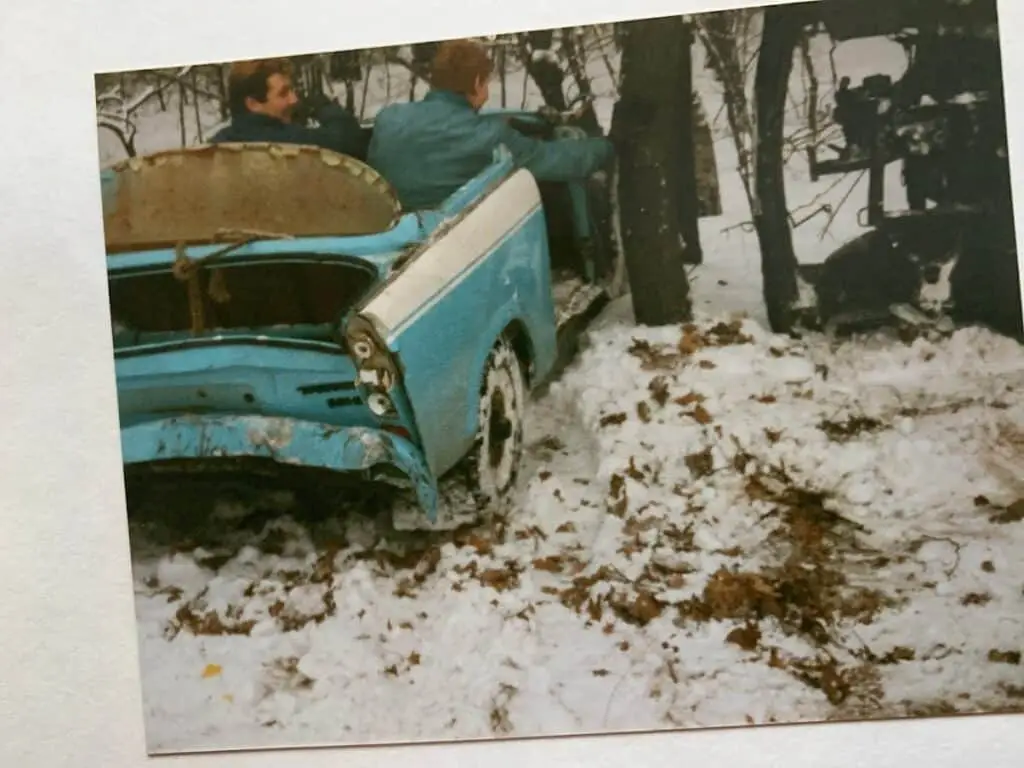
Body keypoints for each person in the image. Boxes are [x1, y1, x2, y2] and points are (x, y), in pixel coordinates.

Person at [367, 39, 615, 211]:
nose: (486, 92)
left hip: (395, 229)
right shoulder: (488, 136)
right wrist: (608, 145)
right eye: (486, 83)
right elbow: (557, 160)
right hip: (453, 239)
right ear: (476, 83)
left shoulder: (389, 118)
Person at [211, 58, 368, 160]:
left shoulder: (220, 143)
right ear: (253, 104)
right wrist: (323, 107)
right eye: (283, 93)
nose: (294, 99)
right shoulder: (287, 142)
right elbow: (349, 140)